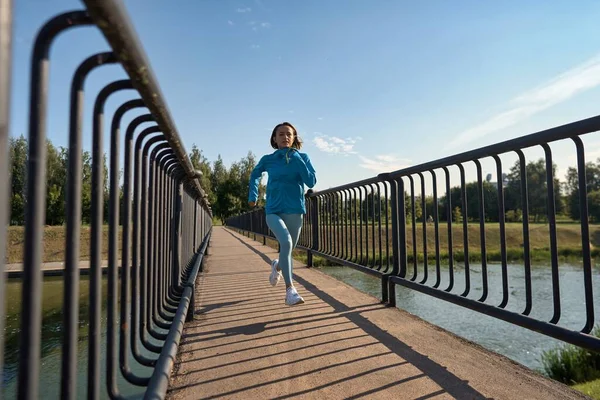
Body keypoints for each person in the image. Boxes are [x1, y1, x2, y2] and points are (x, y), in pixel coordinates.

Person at [248, 122, 317, 306]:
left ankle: (277, 265)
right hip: (273, 209)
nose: (285, 137)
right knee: (285, 243)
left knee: (288, 250)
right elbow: (255, 174)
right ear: (274, 139)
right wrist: (253, 195)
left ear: (294, 138)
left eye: (289, 134)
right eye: (281, 134)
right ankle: (290, 290)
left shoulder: (302, 157)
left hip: (295, 210)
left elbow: (311, 181)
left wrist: (298, 159)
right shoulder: (268, 159)